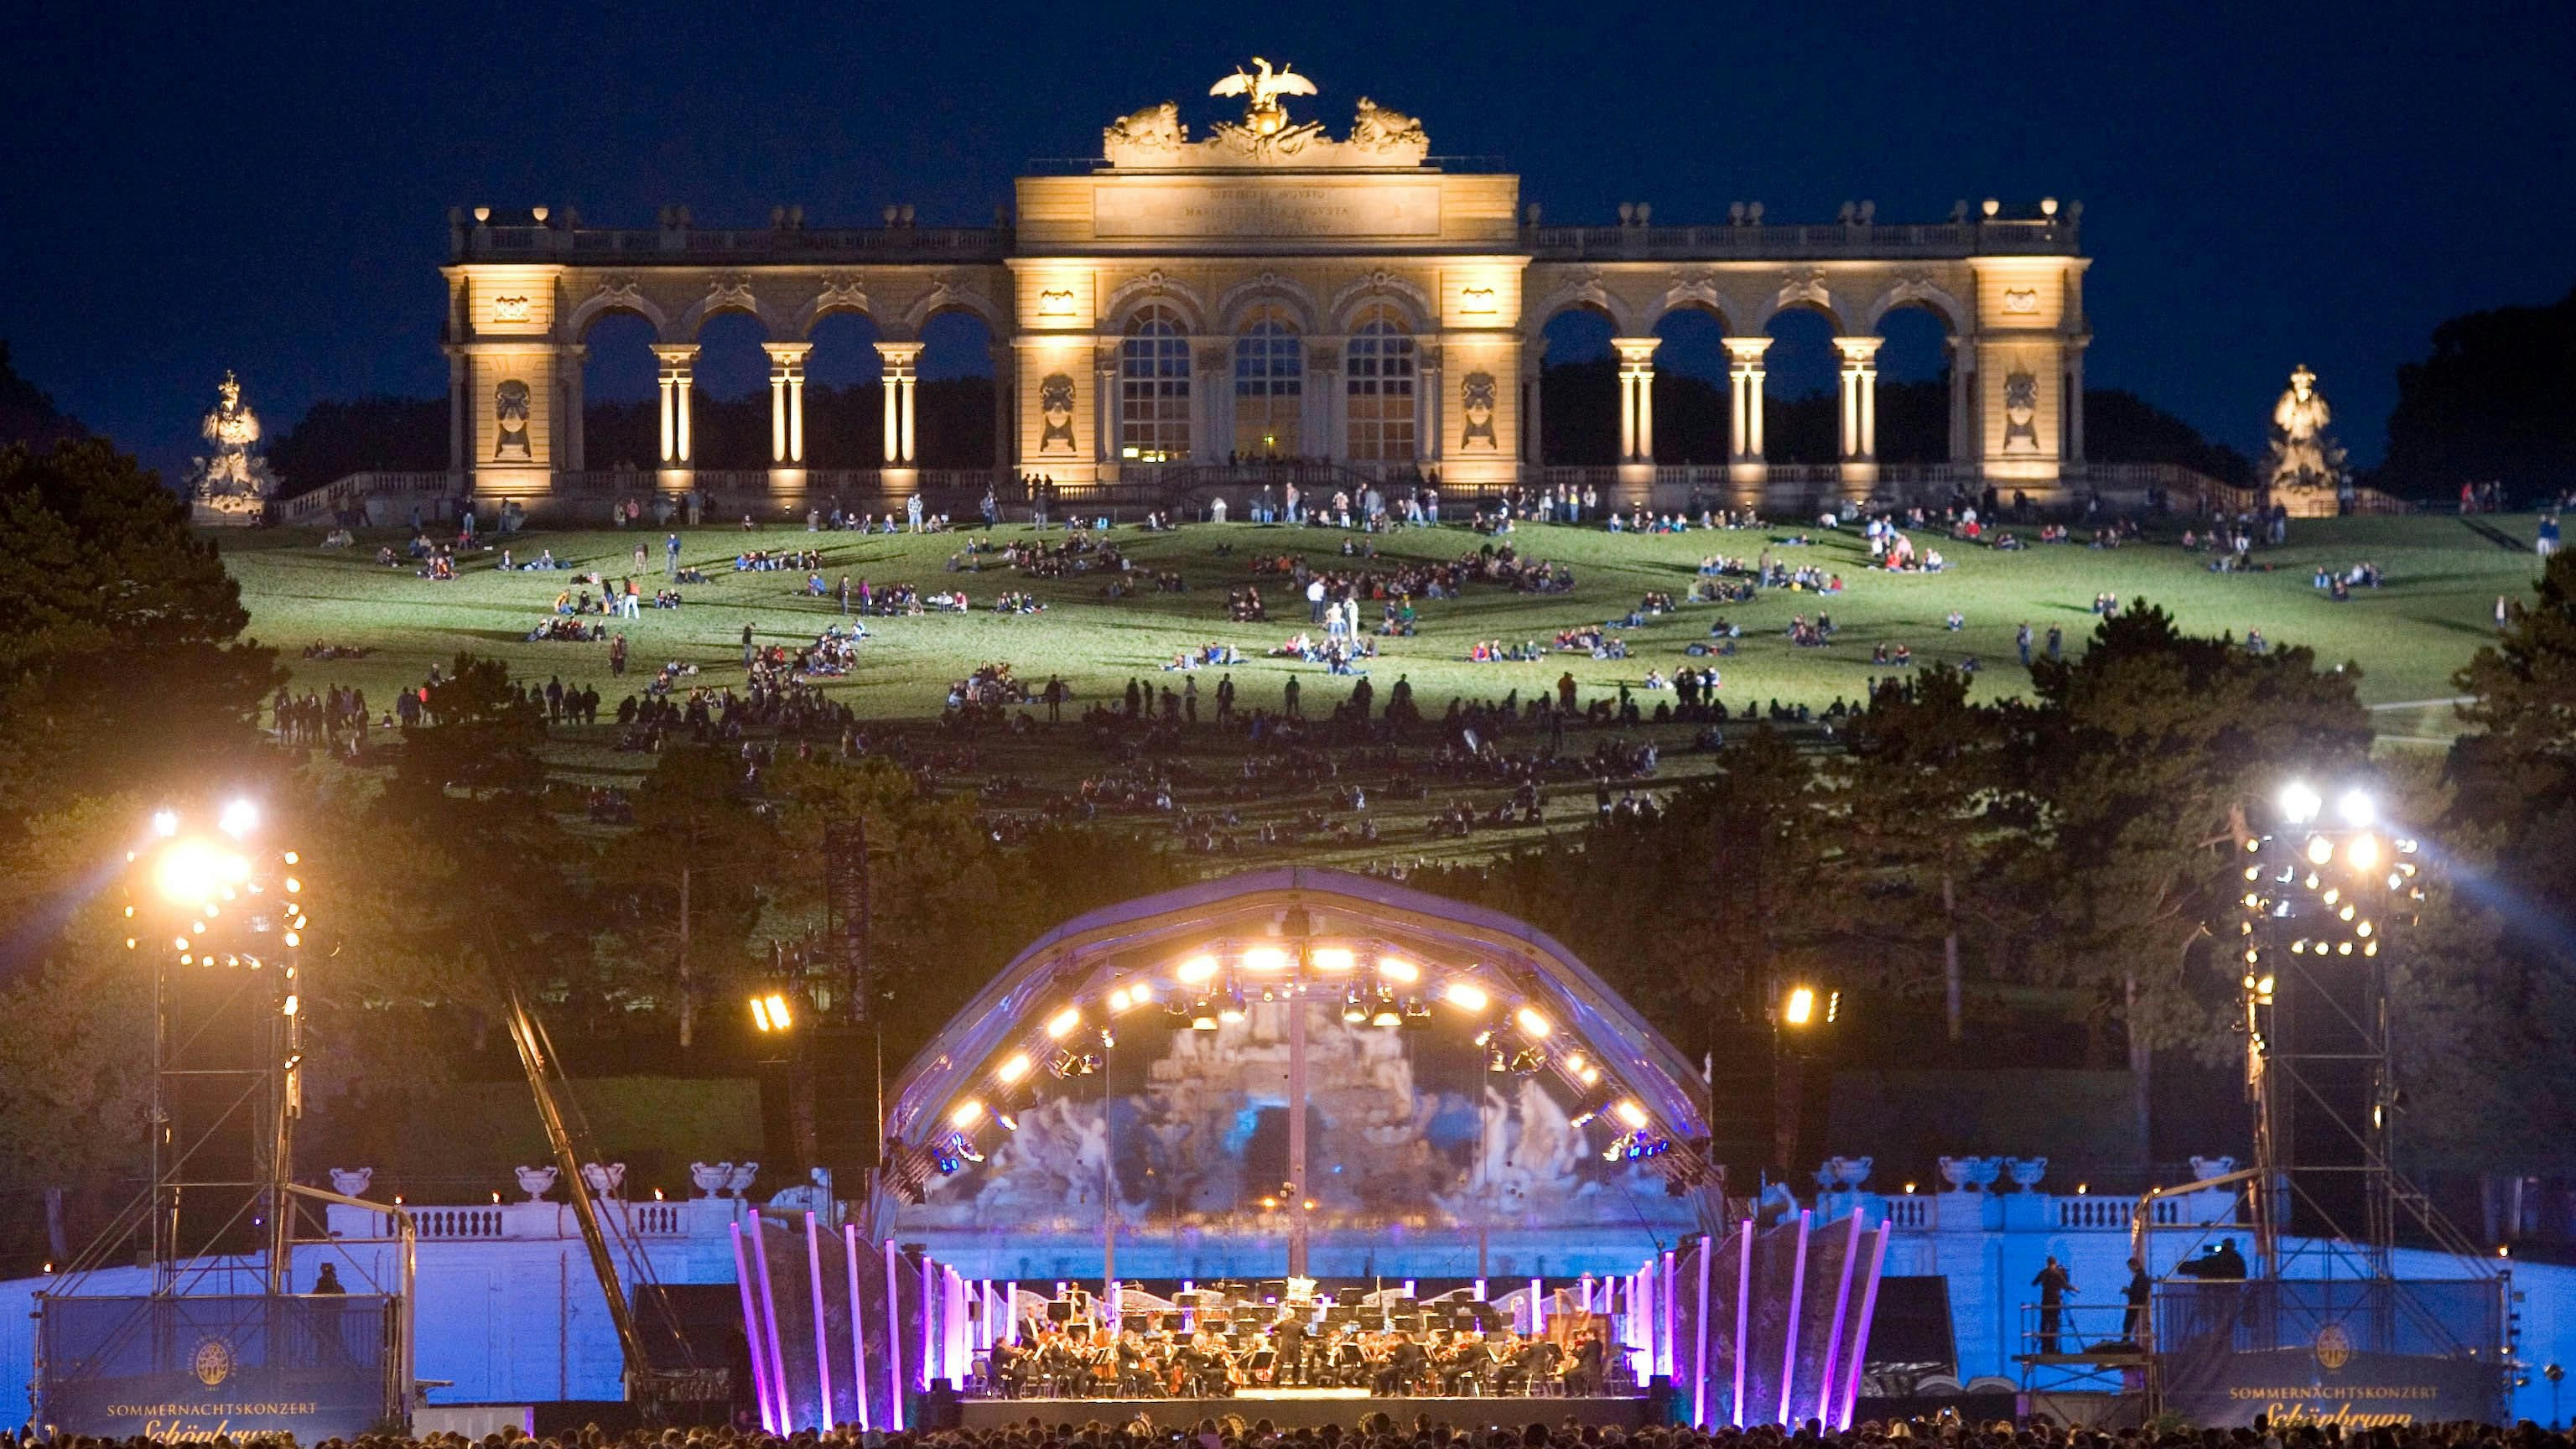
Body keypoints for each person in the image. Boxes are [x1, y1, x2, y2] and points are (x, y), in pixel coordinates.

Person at [2033, 1254, 2073, 1355]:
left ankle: (2044, 1348)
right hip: (2055, 1301)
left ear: (2047, 1263)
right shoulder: (2057, 1273)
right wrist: (2075, 1288)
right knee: (2054, 1325)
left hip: (2045, 1301)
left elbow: (2034, 1283)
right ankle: (2052, 1349)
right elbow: (2065, 1285)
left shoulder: (2043, 1272)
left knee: (2044, 1324)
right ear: (2055, 1263)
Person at [2122, 1257, 2153, 1346]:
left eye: (2130, 1267)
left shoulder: (2140, 1277)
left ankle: (2126, 1339)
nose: (2130, 1269)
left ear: (2134, 1265)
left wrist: (2128, 1292)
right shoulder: (2141, 1276)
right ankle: (2126, 1339)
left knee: (2128, 1322)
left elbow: (2137, 1291)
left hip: (2136, 1302)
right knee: (2128, 1322)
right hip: (2137, 1301)